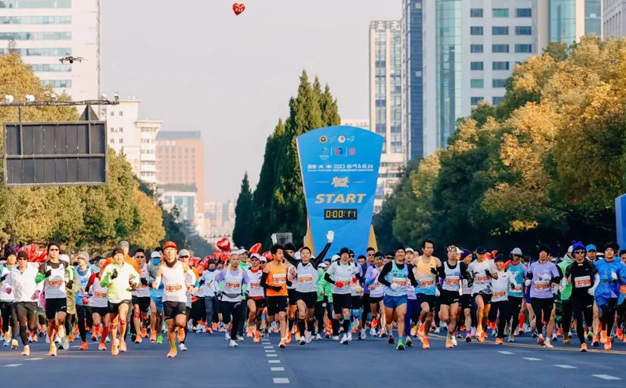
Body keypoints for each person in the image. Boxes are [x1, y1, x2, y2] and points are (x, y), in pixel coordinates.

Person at [152, 241, 195, 358]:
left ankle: (181, 328)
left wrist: (191, 285)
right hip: (167, 299)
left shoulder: (182, 265)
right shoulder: (162, 267)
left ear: (176, 252)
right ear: (164, 253)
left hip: (180, 298)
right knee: (170, 326)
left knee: (181, 322)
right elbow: (158, 278)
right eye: (167, 250)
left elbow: (192, 275)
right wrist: (156, 283)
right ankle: (173, 348)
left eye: (172, 249)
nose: (169, 252)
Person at [100, 246, 141, 356]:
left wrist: (134, 283)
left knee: (123, 318)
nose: (118, 257)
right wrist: (110, 278)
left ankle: (122, 339)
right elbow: (102, 283)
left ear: (124, 256)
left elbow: (136, 276)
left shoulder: (128, 267)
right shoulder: (109, 268)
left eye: (120, 255)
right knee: (113, 322)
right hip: (112, 297)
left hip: (125, 296)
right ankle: (114, 342)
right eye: (116, 255)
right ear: (113, 257)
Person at [36, 242, 74, 356]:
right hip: (50, 296)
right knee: (51, 322)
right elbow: (37, 279)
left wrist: (70, 281)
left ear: (59, 252)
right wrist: (44, 276)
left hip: (61, 295)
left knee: (61, 319)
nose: (54, 252)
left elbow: (71, 271)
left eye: (56, 250)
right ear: (48, 251)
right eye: (51, 249)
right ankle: (52, 344)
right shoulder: (44, 266)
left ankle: (61, 327)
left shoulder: (64, 264)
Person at [377, 248, 418, 350]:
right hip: (389, 295)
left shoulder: (407, 267)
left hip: (402, 295)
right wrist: (390, 285)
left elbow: (413, 280)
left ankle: (400, 341)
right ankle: (390, 333)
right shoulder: (389, 265)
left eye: (402, 252)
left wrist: (420, 287)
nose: (400, 254)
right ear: (395, 254)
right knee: (389, 319)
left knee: (401, 318)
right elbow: (380, 278)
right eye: (398, 252)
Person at [592, 242, 626, 350]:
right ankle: (602, 331)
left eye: (611, 250)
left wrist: (617, 279)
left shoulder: (619, 264)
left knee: (611, 314)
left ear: (614, 253)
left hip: (614, 292)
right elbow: (591, 275)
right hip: (600, 292)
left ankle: (607, 338)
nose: (609, 252)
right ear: (604, 252)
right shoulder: (597, 264)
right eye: (607, 250)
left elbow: (624, 280)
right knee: (605, 311)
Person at [525, 245, 561, 348]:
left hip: (548, 295)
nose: (543, 254)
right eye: (541, 252)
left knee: (548, 317)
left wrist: (550, 278)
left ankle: (548, 340)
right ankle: (540, 335)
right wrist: (527, 281)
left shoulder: (552, 266)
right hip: (535, 295)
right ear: (538, 254)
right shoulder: (533, 265)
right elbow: (529, 275)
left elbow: (557, 279)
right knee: (538, 314)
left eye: (545, 252)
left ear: (548, 254)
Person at [4, 251, 39, 356]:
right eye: (20, 259)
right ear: (17, 260)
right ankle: (26, 346)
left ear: (27, 260)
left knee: (32, 326)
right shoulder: (13, 272)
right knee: (22, 325)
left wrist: (38, 291)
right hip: (19, 301)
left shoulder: (33, 271)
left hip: (32, 300)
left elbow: (40, 281)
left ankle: (32, 331)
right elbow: (7, 283)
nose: (22, 261)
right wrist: (9, 289)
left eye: (24, 259)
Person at [324, 247, 360, 345]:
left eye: (347, 255)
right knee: (338, 315)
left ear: (349, 256)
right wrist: (335, 282)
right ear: (340, 256)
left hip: (347, 293)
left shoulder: (352, 265)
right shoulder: (335, 265)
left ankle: (346, 334)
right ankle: (341, 322)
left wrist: (355, 280)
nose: (345, 257)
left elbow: (357, 275)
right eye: (343, 255)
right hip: (336, 293)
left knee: (346, 312)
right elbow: (326, 277)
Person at [565, 242, 596, 352]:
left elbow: (598, 277)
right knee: (578, 319)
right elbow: (565, 278)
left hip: (588, 296)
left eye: (582, 252)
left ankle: (589, 329)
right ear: (573, 254)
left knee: (588, 319)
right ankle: (583, 343)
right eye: (577, 252)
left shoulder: (590, 265)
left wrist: (593, 288)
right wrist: (561, 286)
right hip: (576, 297)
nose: (580, 254)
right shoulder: (570, 267)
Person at [215, 253, 249, 348]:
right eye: (233, 259)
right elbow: (216, 280)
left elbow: (247, 283)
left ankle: (233, 339)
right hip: (226, 298)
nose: (236, 261)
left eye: (237, 259)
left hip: (237, 298)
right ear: (230, 260)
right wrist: (218, 290)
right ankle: (227, 325)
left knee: (237, 319)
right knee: (226, 319)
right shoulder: (225, 272)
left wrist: (245, 291)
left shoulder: (242, 272)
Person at [437, 245, 468, 348]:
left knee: (454, 316)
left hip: (455, 292)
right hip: (445, 293)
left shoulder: (461, 265)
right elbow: (439, 276)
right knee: (445, 317)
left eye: (454, 252)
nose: (452, 254)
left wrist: (468, 279)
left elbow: (465, 275)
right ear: (447, 254)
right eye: (450, 252)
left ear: (457, 254)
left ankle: (449, 337)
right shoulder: (443, 265)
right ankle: (443, 319)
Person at [413, 240, 441, 349]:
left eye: (431, 248)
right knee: (425, 309)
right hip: (420, 290)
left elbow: (442, 273)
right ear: (423, 249)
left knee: (429, 318)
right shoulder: (416, 260)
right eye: (427, 247)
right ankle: (420, 324)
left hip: (432, 291)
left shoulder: (436, 260)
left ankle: (425, 337)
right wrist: (413, 282)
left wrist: (437, 273)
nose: (430, 250)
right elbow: (408, 271)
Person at [262, 244, 289, 348]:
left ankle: (282, 339)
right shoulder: (268, 266)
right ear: (273, 255)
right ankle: (266, 323)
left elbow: (287, 280)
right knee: (271, 318)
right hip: (271, 295)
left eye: (282, 253)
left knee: (282, 316)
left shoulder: (285, 266)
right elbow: (262, 283)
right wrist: (273, 287)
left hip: (283, 294)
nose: (282, 255)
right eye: (279, 253)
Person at [468, 246, 497, 343]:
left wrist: (490, 274)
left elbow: (496, 276)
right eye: (480, 254)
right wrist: (469, 280)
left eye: (483, 254)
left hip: (488, 290)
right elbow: (469, 275)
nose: (482, 256)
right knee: (480, 306)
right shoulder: (472, 265)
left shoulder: (491, 263)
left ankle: (482, 330)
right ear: (476, 254)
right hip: (477, 289)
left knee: (485, 314)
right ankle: (479, 326)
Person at [489, 254, 519, 345]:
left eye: (501, 262)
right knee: (492, 317)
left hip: (504, 299)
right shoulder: (492, 273)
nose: (499, 264)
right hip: (493, 299)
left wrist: (513, 285)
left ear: (504, 263)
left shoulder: (507, 272)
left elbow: (514, 281)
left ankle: (499, 337)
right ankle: (493, 325)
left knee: (503, 318)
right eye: (497, 262)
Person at [86, 258, 110, 351]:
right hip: (96, 304)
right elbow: (87, 286)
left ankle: (102, 342)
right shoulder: (93, 276)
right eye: (101, 263)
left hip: (107, 304)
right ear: (98, 265)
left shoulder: (110, 277)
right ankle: (96, 331)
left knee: (106, 324)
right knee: (96, 322)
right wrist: (87, 295)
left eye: (105, 263)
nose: (103, 265)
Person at [74, 252, 95, 350]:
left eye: (82, 259)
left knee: (90, 317)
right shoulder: (74, 270)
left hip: (90, 297)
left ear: (86, 260)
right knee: (80, 320)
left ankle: (91, 326)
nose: (79, 260)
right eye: (78, 258)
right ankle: (84, 341)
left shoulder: (92, 270)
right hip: (78, 298)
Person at [131, 249, 151, 344]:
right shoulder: (131, 268)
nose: (139, 259)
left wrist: (149, 282)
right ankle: (138, 335)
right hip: (135, 293)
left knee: (144, 315)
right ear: (134, 258)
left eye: (141, 257)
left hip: (145, 294)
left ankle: (144, 327)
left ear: (144, 258)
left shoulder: (148, 267)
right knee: (136, 311)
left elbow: (157, 277)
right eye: (137, 257)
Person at [245, 254, 265, 343]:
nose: (254, 262)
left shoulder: (263, 271)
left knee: (258, 316)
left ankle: (257, 331)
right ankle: (249, 326)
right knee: (252, 310)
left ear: (259, 261)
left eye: (256, 260)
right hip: (250, 296)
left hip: (261, 296)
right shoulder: (246, 271)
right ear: (250, 261)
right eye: (252, 260)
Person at [507, 248, 525, 342]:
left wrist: (526, 281)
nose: (516, 258)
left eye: (518, 256)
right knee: (507, 314)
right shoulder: (507, 265)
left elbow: (528, 276)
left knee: (515, 315)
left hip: (518, 295)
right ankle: (507, 326)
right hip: (508, 294)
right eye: (515, 255)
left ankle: (512, 333)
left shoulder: (523, 267)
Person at [0, 250, 18, 349]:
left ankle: (14, 339)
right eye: (9, 256)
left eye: (13, 256)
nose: (11, 258)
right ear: (6, 258)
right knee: (5, 320)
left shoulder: (18, 268)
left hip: (15, 299)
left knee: (14, 319)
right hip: (3, 298)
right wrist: (3, 278)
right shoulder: (2, 268)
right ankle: (6, 336)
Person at [148, 251, 165, 344]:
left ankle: (159, 334)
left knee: (159, 316)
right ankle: (153, 332)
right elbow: (146, 277)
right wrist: (151, 282)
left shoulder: (164, 267)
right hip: (152, 293)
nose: (156, 260)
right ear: (151, 258)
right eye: (154, 258)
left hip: (162, 293)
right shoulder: (148, 267)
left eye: (157, 258)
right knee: (153, 312)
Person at [200, 259, 219, 333]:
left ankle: (215, 323)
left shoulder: (218, 273)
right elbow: (201, 281)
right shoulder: (205, 273)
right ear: (208, 265)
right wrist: (200, 287)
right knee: (208, 311)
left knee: (216, 311)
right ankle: (209, 326)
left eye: (213, 264)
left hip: (216, 294)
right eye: (211, 264)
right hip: (207, 294)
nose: (212, 265)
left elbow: (221, 282)